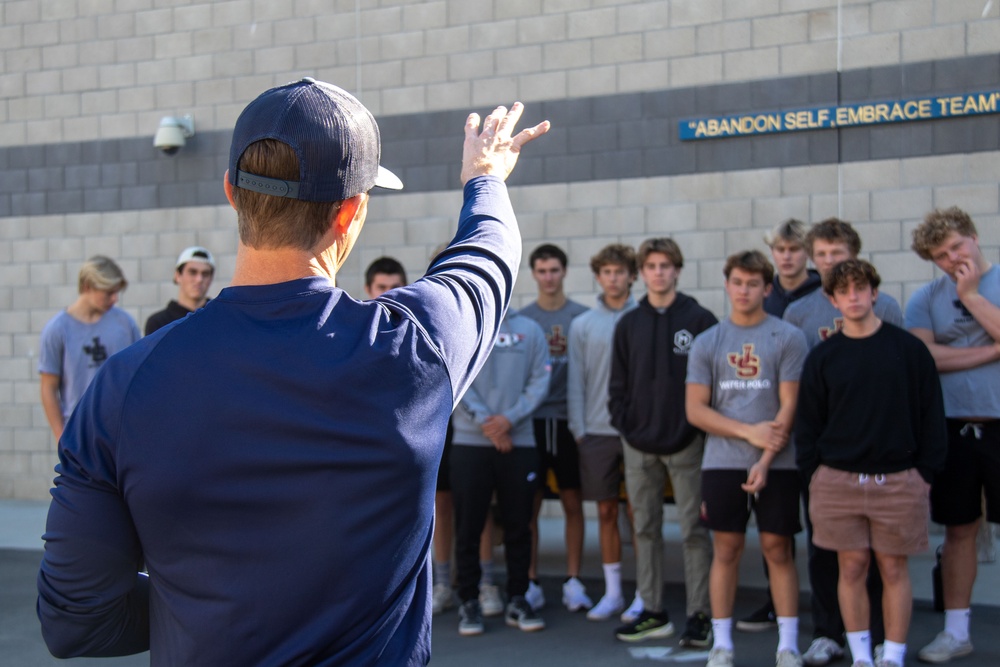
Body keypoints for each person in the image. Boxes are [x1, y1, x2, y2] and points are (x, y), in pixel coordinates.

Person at [36, 78, 550, 665]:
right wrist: (484, 176)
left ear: (231, 191)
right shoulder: (413, 350)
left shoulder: (124, 386)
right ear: (351, 212)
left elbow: (75, 621)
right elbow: (488, 253)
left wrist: (199, 608)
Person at [796, 259, 947, 667]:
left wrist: (924, 473)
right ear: (832, 299)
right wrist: (816, 475)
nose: (854, 296)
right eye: (843, 291)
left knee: (893, 568)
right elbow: (807, 425)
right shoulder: (823, 358)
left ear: (874, 292)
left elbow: (931, 413)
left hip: (898, 480)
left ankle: (892, 654)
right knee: (851, 566)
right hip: (837, 481)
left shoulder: (908, 350)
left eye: (860, 288)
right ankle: (861, 654)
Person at [783, 218, 900, 666]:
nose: (830, 261)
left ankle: (873, 635)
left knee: (874, 550)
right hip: (825, 448)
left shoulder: (885, 305)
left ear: (855, 254)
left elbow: (897, 377)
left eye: (839, 253)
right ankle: (828, 632)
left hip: (875, 443)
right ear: (813, 260)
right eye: (823, 255)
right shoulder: (799, 311)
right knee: (825, 547)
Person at [686, 250, 809, 667]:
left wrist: (765, 456)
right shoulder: (709, 341)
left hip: (780, 461)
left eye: (753, 283)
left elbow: (789, 404)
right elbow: (696, 410)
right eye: (737, 282)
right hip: (722, 461)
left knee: (778, 548)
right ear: (727, 285)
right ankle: (722, 644)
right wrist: (747, 433)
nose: (744, 290)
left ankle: (787, 645)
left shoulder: (788, 337)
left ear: (767, 288)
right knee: (726, 549)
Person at [609, 238, 716, 646]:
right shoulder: (629, 323)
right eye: (651, 265)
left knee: (692, 529)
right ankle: (652, 610)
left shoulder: (700, 319)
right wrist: (628, 428)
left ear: (677, 270)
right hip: (638, 444)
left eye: (666, 265)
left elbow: (712, 386)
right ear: (643, 271)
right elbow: (616, 387)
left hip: (686, 442)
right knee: (646, 529)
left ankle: (700, 614)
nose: (658, 271)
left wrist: (694, 429)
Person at [907, 207, 1000, 664]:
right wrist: (994, 351)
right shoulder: (924, 299)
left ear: (975, 237)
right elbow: (926, 357)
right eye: (941, 256)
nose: (952, 259)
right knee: (959, 529)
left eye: (957, 247)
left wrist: (972, 295)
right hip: (953, 428)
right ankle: (956, 631)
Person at [740, 219, 823, 633]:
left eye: (794, 249)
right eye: (780, 249)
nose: (787, 256)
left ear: (806, 252)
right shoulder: (764, 296)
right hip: (772, 430)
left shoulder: (825, 293)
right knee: (777, 527)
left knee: (824, 525)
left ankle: (833, 613)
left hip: (819, 424)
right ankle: (777, 603)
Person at [450, 308, 551, 636]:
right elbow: (455, 379)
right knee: (468, 527)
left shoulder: (530, 330)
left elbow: (541, 379)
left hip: (519, 442)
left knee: (519, 526)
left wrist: (508, 419)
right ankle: (469, 600)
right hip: (470, 443)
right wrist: (487, 424)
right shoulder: (462, 326)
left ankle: (519, 597)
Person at [566, 244, 642, 622]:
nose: (614, 278)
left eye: (621, 272)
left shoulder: (645, 319)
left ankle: (646, 593)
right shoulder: (583, 325)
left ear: (632, 275)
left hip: (639, 432)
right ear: (598, 277)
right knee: (606, 511)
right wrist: (580, 430)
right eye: (607, 272)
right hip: (596, 432)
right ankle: (613, 593)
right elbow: (576, 381)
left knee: (642, 514)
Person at [518, 243, 591, 613]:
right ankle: (530, 580)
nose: (548, 277)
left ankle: (574, 580)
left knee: (572, 501)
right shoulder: (525, 321)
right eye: (542, 271)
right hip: (532, 423)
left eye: (554, 270)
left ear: (564, 272)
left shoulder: (582, 317)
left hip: (567, 422)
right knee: (529, 505)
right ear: (534, 274)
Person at [38, 256, 140, 442]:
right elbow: (48, 387)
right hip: (79, 434)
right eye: (108, 292)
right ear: (87, 287)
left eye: (116, 292)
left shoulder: (125, 324)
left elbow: (138, 375)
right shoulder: (57, 329)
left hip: (123, 431)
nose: (115, 298)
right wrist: (62, 438)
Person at [144, 246, 216, 335]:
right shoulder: (158, 323)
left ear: (211, 279)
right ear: (178, 276)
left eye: (205, 274)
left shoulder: (219, 318)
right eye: (192, 272)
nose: (199, 279)